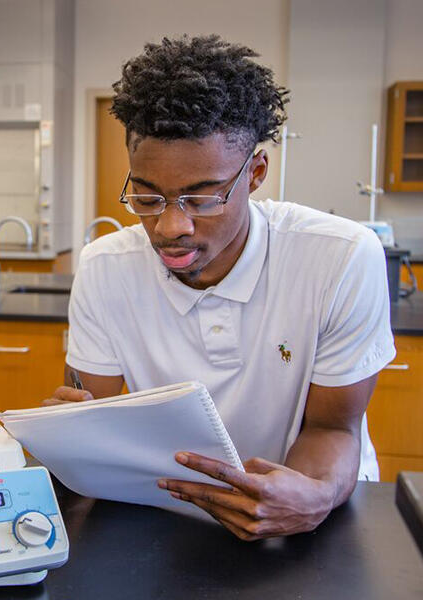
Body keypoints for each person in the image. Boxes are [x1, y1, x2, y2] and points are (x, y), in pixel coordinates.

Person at [47, 35, 395, 540]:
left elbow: (332, 429)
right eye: (147, 197)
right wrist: (71, 431)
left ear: (254, 174)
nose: (170, 227)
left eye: (202, 198)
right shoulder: (106, 266)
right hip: (168, 515)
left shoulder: (338, 258)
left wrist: (309, 496)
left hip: (312, 517)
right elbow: (90, 417)